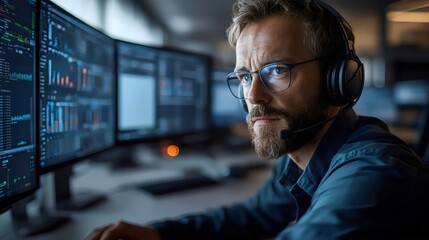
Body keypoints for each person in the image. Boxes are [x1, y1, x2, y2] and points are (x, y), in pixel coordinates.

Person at [85, 0, 429, 239]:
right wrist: (160, 233)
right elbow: (254, 216)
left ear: (337, 79)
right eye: (246, 76)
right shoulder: (301, 155)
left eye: (276, 70)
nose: (253, 96)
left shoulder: (373, 172)